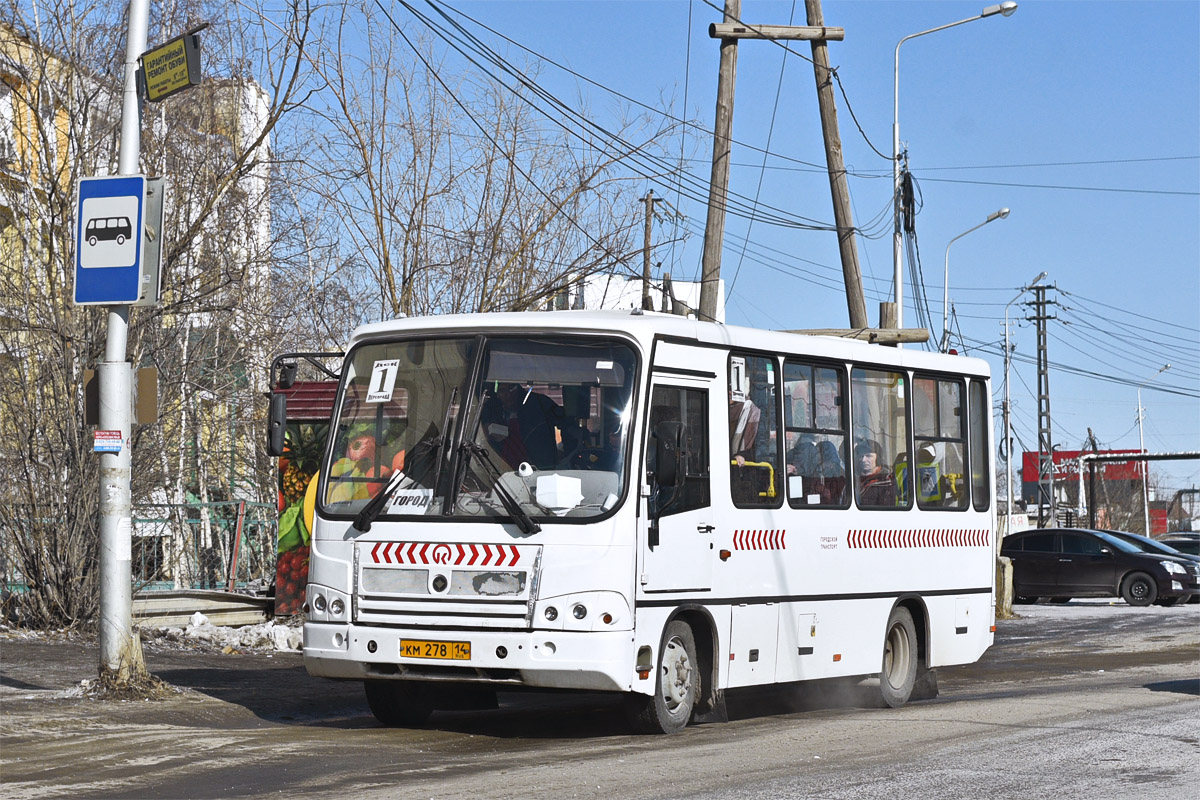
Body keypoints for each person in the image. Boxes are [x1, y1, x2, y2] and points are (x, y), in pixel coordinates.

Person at [855, 438, 896, 506]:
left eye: (868, 456)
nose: (863, 460)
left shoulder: (887, 482)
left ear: (878, 459)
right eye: (861, 456)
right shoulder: (854, 479)